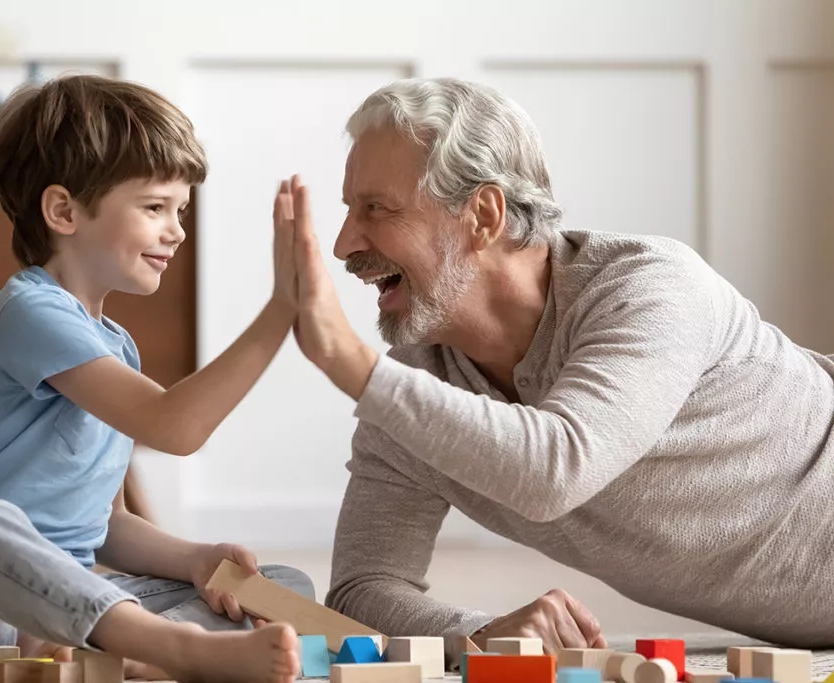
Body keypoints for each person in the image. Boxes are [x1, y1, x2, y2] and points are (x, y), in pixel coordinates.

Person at [273, 77, 834, 660]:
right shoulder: (415, 387)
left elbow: (556, 469)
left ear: (482, 215)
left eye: (377, 209)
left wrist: (347, 361)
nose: (342, 245)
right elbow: (360, 590)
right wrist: (481, 634)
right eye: (348, 210)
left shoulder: (647, 287)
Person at [0, 74, 311, 683]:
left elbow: (106, 527)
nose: (177, 230)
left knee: (280, 588)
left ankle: (120, 651)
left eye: (180, 210)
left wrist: (198, 559)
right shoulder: (29, 312)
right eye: (155, 207)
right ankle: (167, 651)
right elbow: (173, 426)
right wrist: (280, 312)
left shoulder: (116, 349)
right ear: (63, 211)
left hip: (61, 609)